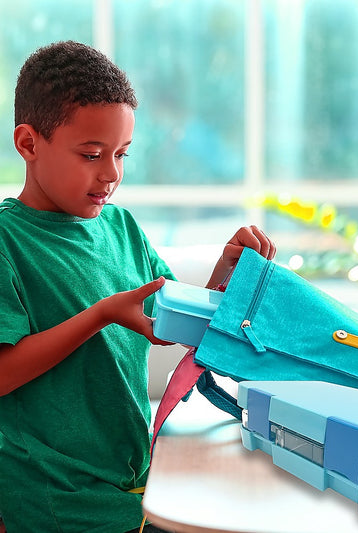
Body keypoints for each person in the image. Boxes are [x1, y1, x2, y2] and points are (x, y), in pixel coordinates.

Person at [0, 41, 276, 533]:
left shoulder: (121, 227)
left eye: (121, 154)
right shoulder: (7, 241)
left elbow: (175, 324)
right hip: (54, 501)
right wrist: (100, 315)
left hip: (134, 486)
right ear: (28, 143)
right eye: (91, 154)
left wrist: (225, 272)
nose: (111, 174)